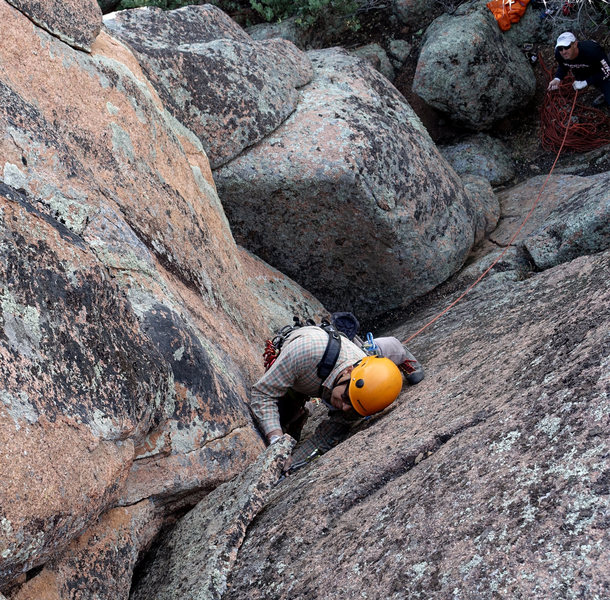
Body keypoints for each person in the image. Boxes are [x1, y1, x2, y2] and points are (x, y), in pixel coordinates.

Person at [249, 323, 424, 471]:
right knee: (284, 417)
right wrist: (277, 443)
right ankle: (395, 348)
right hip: (309, 361)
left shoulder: (358, 387)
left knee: (343, 421)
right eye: (347, 398)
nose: (344, 407)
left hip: (343, 364)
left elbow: (323, 439)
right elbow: (263, 393)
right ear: (349, 371)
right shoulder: (305, 352)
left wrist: (291, 464)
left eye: (354, 408)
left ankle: (397, 353)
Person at [547, 32, 610, 108]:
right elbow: (563, 66)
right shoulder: (558, 54)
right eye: (560, 48)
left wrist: (586, 82)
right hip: (582, 71)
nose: (563, 52)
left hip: (601, 70)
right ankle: (604, 92)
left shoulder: (592, 51)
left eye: (567, 47)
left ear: (575, 44)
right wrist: (557, 78)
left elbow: (607, 70)